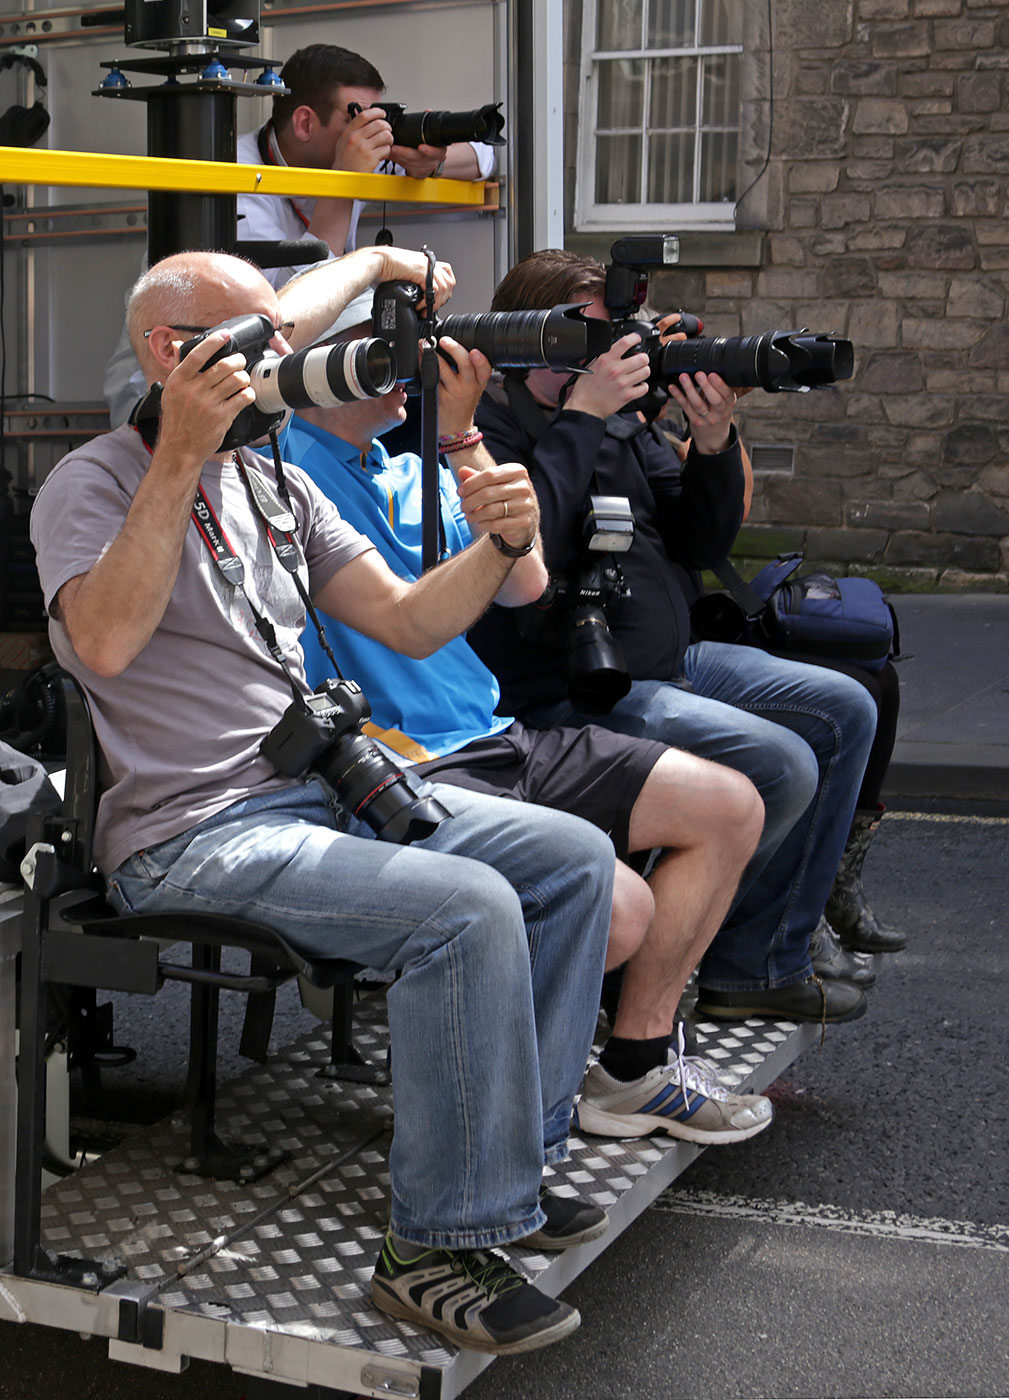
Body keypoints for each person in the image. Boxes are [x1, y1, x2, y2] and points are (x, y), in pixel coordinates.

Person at [32, 248, 620, 1358]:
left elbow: (405, 619)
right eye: (266, 338)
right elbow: (104, 639)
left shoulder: (278, 482)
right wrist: (181, 462)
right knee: (465, 907)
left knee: (571, 858)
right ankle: (435, 1247)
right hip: (191, 831)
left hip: (315, 795)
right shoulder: (94, 482)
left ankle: (510, 1171)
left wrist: (502, 543)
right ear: (172, 353)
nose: (287, 360)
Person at [276, 300, 774, 1146]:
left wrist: (461, 439)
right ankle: (489, 1128)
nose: (408, 373)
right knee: (614, 912)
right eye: (386, 356)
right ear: (323, 370)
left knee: (730, 805)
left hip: (490, 734)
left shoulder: (408, 469)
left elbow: (525, 582)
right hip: (398, 760)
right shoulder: (284, 471)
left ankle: (633, 1067)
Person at [468, 249, 881, 1026]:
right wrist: (582, 419)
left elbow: (698, 540)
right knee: (780, 764)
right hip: (573, 686)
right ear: (530, 338)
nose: (611, 355)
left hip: (670, 657)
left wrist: (713, 438)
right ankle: (648, 966)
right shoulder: (486, 433)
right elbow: (527, 555)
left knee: (843, 709)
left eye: (612, 334)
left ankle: (754, 961)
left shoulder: (622, 422)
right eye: (588, 337)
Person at [103, 42, 496, 426]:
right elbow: (286, 315)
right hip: (164, 403)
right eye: (357, 117)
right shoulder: (237, 179)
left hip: (271, 393)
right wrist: (344, 183)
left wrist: (433, 161)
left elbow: (485, 155)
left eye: (379, 119)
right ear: (305, 122)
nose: (372, 133)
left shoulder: (348, 155)